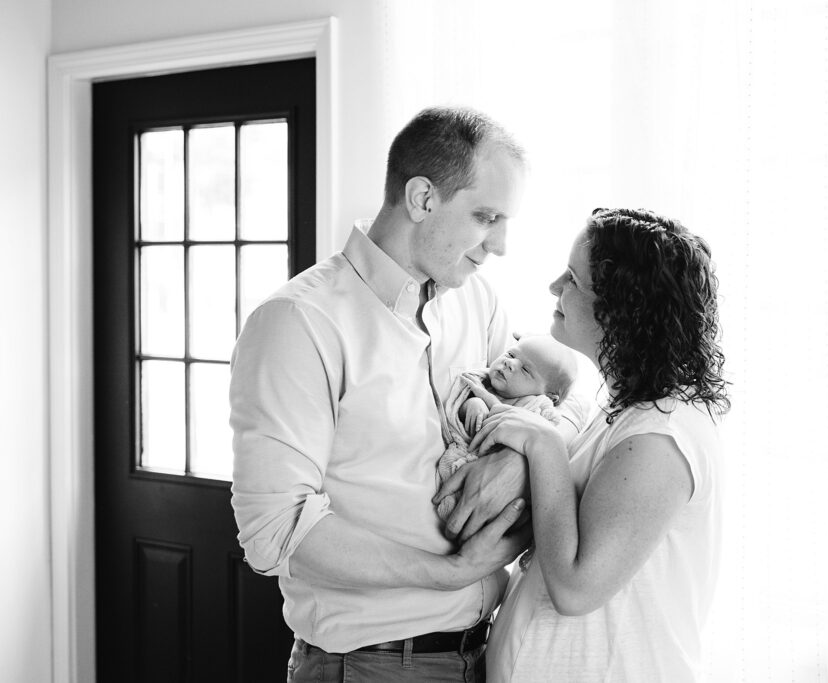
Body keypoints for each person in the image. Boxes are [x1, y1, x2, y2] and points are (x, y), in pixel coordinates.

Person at [229, 106, 582, 682]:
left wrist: (525, 461)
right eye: (486, 217)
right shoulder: (299, 322)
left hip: (486, 654)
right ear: (421, 199)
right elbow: (275, 530)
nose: (501, 245)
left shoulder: (479, 302)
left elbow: (550, 405)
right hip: (370, 667)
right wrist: (448, 572)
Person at [438, 207, 730, 682]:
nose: (554, 286)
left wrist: (545, 447)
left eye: (573, 278)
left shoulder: (662, 436)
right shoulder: (625, 410)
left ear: (620, 311)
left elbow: (575, 587)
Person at [435, 335, 578, 519]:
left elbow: (543, 437)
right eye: (511, 354)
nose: (510, 363)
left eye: (526, 370)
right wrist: (471, 404)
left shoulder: (537, 407)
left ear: (550, 396)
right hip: (462, 455)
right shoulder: (481, 383)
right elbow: (455, 409)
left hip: (497, 480)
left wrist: (489, 401)